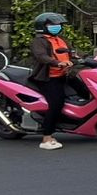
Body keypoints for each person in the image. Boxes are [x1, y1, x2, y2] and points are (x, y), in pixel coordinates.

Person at [28, 11, 76, 151]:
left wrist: (93, 57)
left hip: (64, 75)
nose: (57, 26)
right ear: (43, 26)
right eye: (52, 24)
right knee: (56, 103)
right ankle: (47, 137)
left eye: (58, 24)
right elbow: (42, 56)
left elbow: (72, 52)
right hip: (47, 78)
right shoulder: (39, 41)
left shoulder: (60, 39)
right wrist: (57, 63)